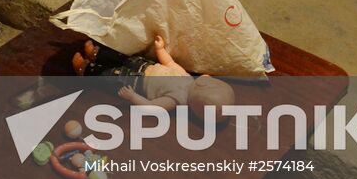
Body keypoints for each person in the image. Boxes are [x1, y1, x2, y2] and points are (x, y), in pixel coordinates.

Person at [73, 35, 236, 112]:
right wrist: (160, 50)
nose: (208, 76)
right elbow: (170, 63)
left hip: (134, 83)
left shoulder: (177, 100)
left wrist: (132, 97)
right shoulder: (187, 78)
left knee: (108, 75)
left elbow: (151, 107)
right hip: (144, 65)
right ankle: (96, 53)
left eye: (211, 81)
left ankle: (86, 69)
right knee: (120, 58)